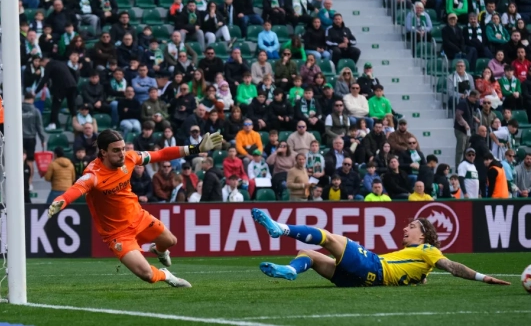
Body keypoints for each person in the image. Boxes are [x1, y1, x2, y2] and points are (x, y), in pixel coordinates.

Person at [49, 129, 222, 286]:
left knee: (171, 241)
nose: (122, 154)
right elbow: (75, 189)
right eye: (116, 150)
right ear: (103, 152)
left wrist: (196, 148)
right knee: (147, 275)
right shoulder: (93, 175)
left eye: (123, 148)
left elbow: (161, 154)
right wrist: (61, 201)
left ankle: (158, 250)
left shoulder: (130, 158)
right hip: (117, 234)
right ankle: (166, 275)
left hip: (139, 217)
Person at [251, 209, 510, 286]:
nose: (405, 229)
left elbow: (452, 267)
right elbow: (420, 278)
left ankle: (279, 229)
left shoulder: (429, 251)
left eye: (411, 227)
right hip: (364, 281)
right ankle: (290, 270)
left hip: (374, 266)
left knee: (329, 238)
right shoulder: (422, 264)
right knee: (308, 254)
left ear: (423, 234)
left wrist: (482, 277)